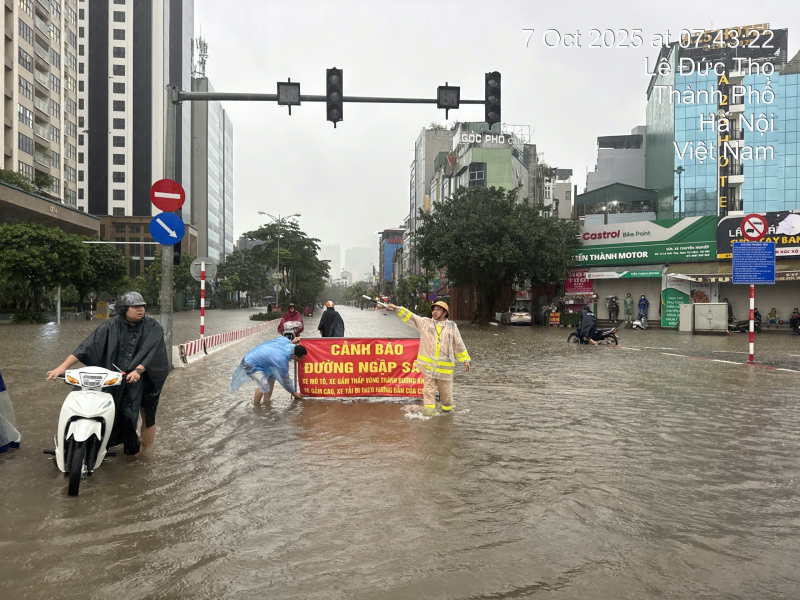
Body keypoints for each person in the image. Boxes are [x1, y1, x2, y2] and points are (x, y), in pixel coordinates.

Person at [45, 291, 170, 455]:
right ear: (124, 309)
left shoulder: (153, 327)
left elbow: (153, 353)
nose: (140, 309)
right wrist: (62, 367)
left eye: (142, 306)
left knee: (146, 411)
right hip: (115, 376)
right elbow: (87, 347)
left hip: (146, 377)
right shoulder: (110, 326)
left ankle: (146, 453)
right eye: (135, 307)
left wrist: (139, 370)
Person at [386, 300, 470, 415]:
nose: (435, 312)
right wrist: (397, 308)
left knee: (446, 397)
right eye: (434, 309)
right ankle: (429, 417)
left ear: (445, 313)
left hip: (444, 370)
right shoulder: (425, 323)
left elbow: (458, 343)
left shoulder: (451, 326)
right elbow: (411, 317)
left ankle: (446, 415)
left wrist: (465, 360)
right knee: (428, 393)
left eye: (438, 310)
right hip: (429, 368)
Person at [230, 336, 307, 406]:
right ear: (295, 356)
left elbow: (282, 342)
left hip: (260, 360)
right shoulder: (281, 361)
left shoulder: (286, 341)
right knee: (263, 384)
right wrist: (294, 393)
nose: (302, 360)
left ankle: (266, 402)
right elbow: (286, 380)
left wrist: (292, 342)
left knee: (272, 377)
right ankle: (256, 407)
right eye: (302, 358)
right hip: (250, 363)